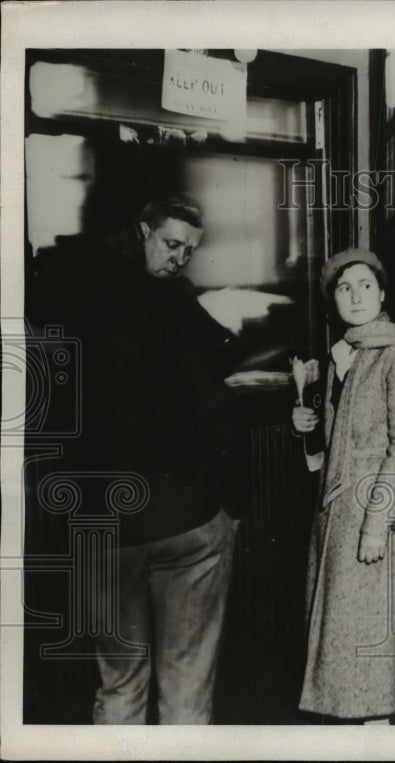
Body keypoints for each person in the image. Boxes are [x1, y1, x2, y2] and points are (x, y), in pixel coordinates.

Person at [29, 193, 244, 724]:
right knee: (186, 685)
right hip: (183, 517)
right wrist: (232, 505)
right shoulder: (167, 301)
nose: (178, 259)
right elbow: (217, 392)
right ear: (143, 230)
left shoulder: (65, 290)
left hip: (102, 524)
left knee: (119, 684)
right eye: (172, 244)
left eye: (188, 252)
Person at [291, 247, 395, 723]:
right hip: (339, 520)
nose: (355, 296)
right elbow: (333, 450)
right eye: (343, 287)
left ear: (383, 293)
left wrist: (376, 523)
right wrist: (307, 428)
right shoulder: (348, 355)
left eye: (365, 286)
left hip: (375, 524)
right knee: (348, 664)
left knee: (368, 668)